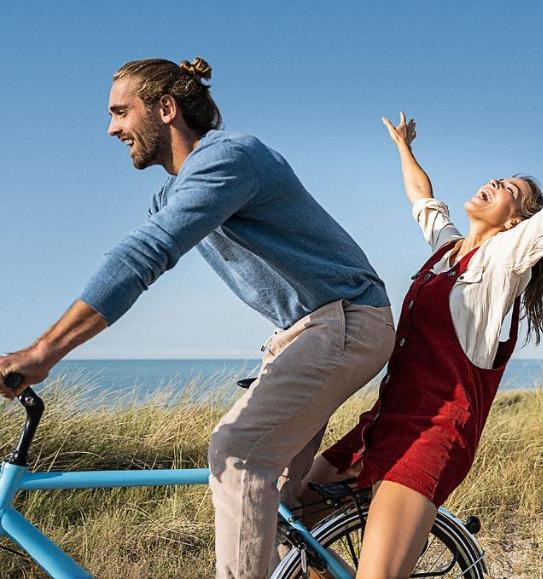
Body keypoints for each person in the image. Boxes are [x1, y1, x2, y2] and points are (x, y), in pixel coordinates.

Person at [0, 58, 396, 578]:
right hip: (303, 333)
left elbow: (147, 253)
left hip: (345, 320)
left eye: (121, 112)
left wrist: (44, 350)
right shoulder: (174, 191)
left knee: (236, 456)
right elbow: (139, 258)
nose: (111, 128)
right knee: (275, 510)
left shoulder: (231, 157)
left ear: (165, 109)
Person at [306, 74, 543, 577]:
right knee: (287, 512)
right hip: (381, 424)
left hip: (433, 434)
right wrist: (403, 147)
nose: (494, 183)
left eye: (510, 190)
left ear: (517, 220)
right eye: (498, 178)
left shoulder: (504, 260)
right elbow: (423, 200)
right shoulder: (447, 253)